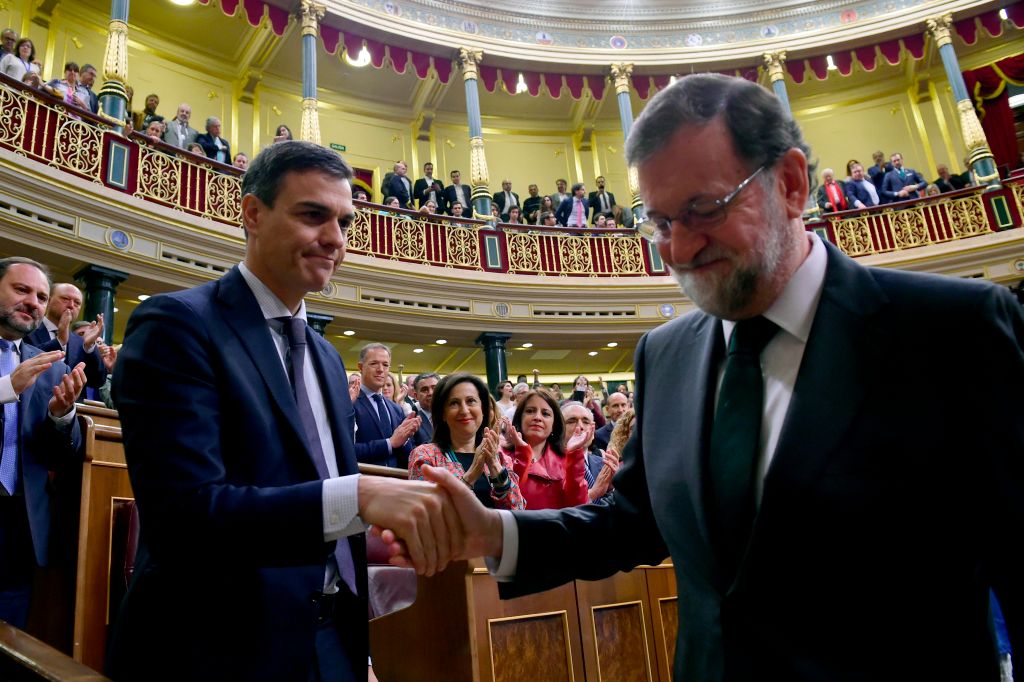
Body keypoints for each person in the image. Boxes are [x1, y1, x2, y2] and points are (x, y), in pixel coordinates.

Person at [393, 73, 1024, 682]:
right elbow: (631, 523)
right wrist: (494, 531)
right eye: (662, 222)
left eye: (704, 209)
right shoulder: (664, 356)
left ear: (792, 184)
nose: (679, 249)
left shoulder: (951, 333)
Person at [106, 141, 465, 681]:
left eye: (343, 221)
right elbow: (186, 517)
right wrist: (362, 495)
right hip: (219, 648)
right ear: (252, 213)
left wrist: (377, 556)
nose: (335, 240)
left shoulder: (323, 354)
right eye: (313, 215)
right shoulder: (176, 325)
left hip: (330, 641)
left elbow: (315, 504)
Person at [0, 257, 85, 629]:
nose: (33, 302)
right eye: (21, 290)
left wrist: (61, 415)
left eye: (40, 295)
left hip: (20, 523)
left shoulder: (51, 364)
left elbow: (63, 454)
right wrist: (7, 388)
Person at [408, 373, 524, 510]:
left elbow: (517, 510)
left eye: (471, 401)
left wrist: (494, 466)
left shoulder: (499, 456)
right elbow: (428, 513)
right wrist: (471, 475)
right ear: (443, 413)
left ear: (482, 409)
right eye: (454, 403)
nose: (464, 410)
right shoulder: (425, 456)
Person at [503, 390, 588, 510]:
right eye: (530, 411)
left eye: (545, 414)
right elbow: (505, 503)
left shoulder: (567, 459)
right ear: (519, 419)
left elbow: (578, 504)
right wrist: (523, 453)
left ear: (554, 424)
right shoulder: (502, 455)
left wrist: (574, 456)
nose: (537, 417)